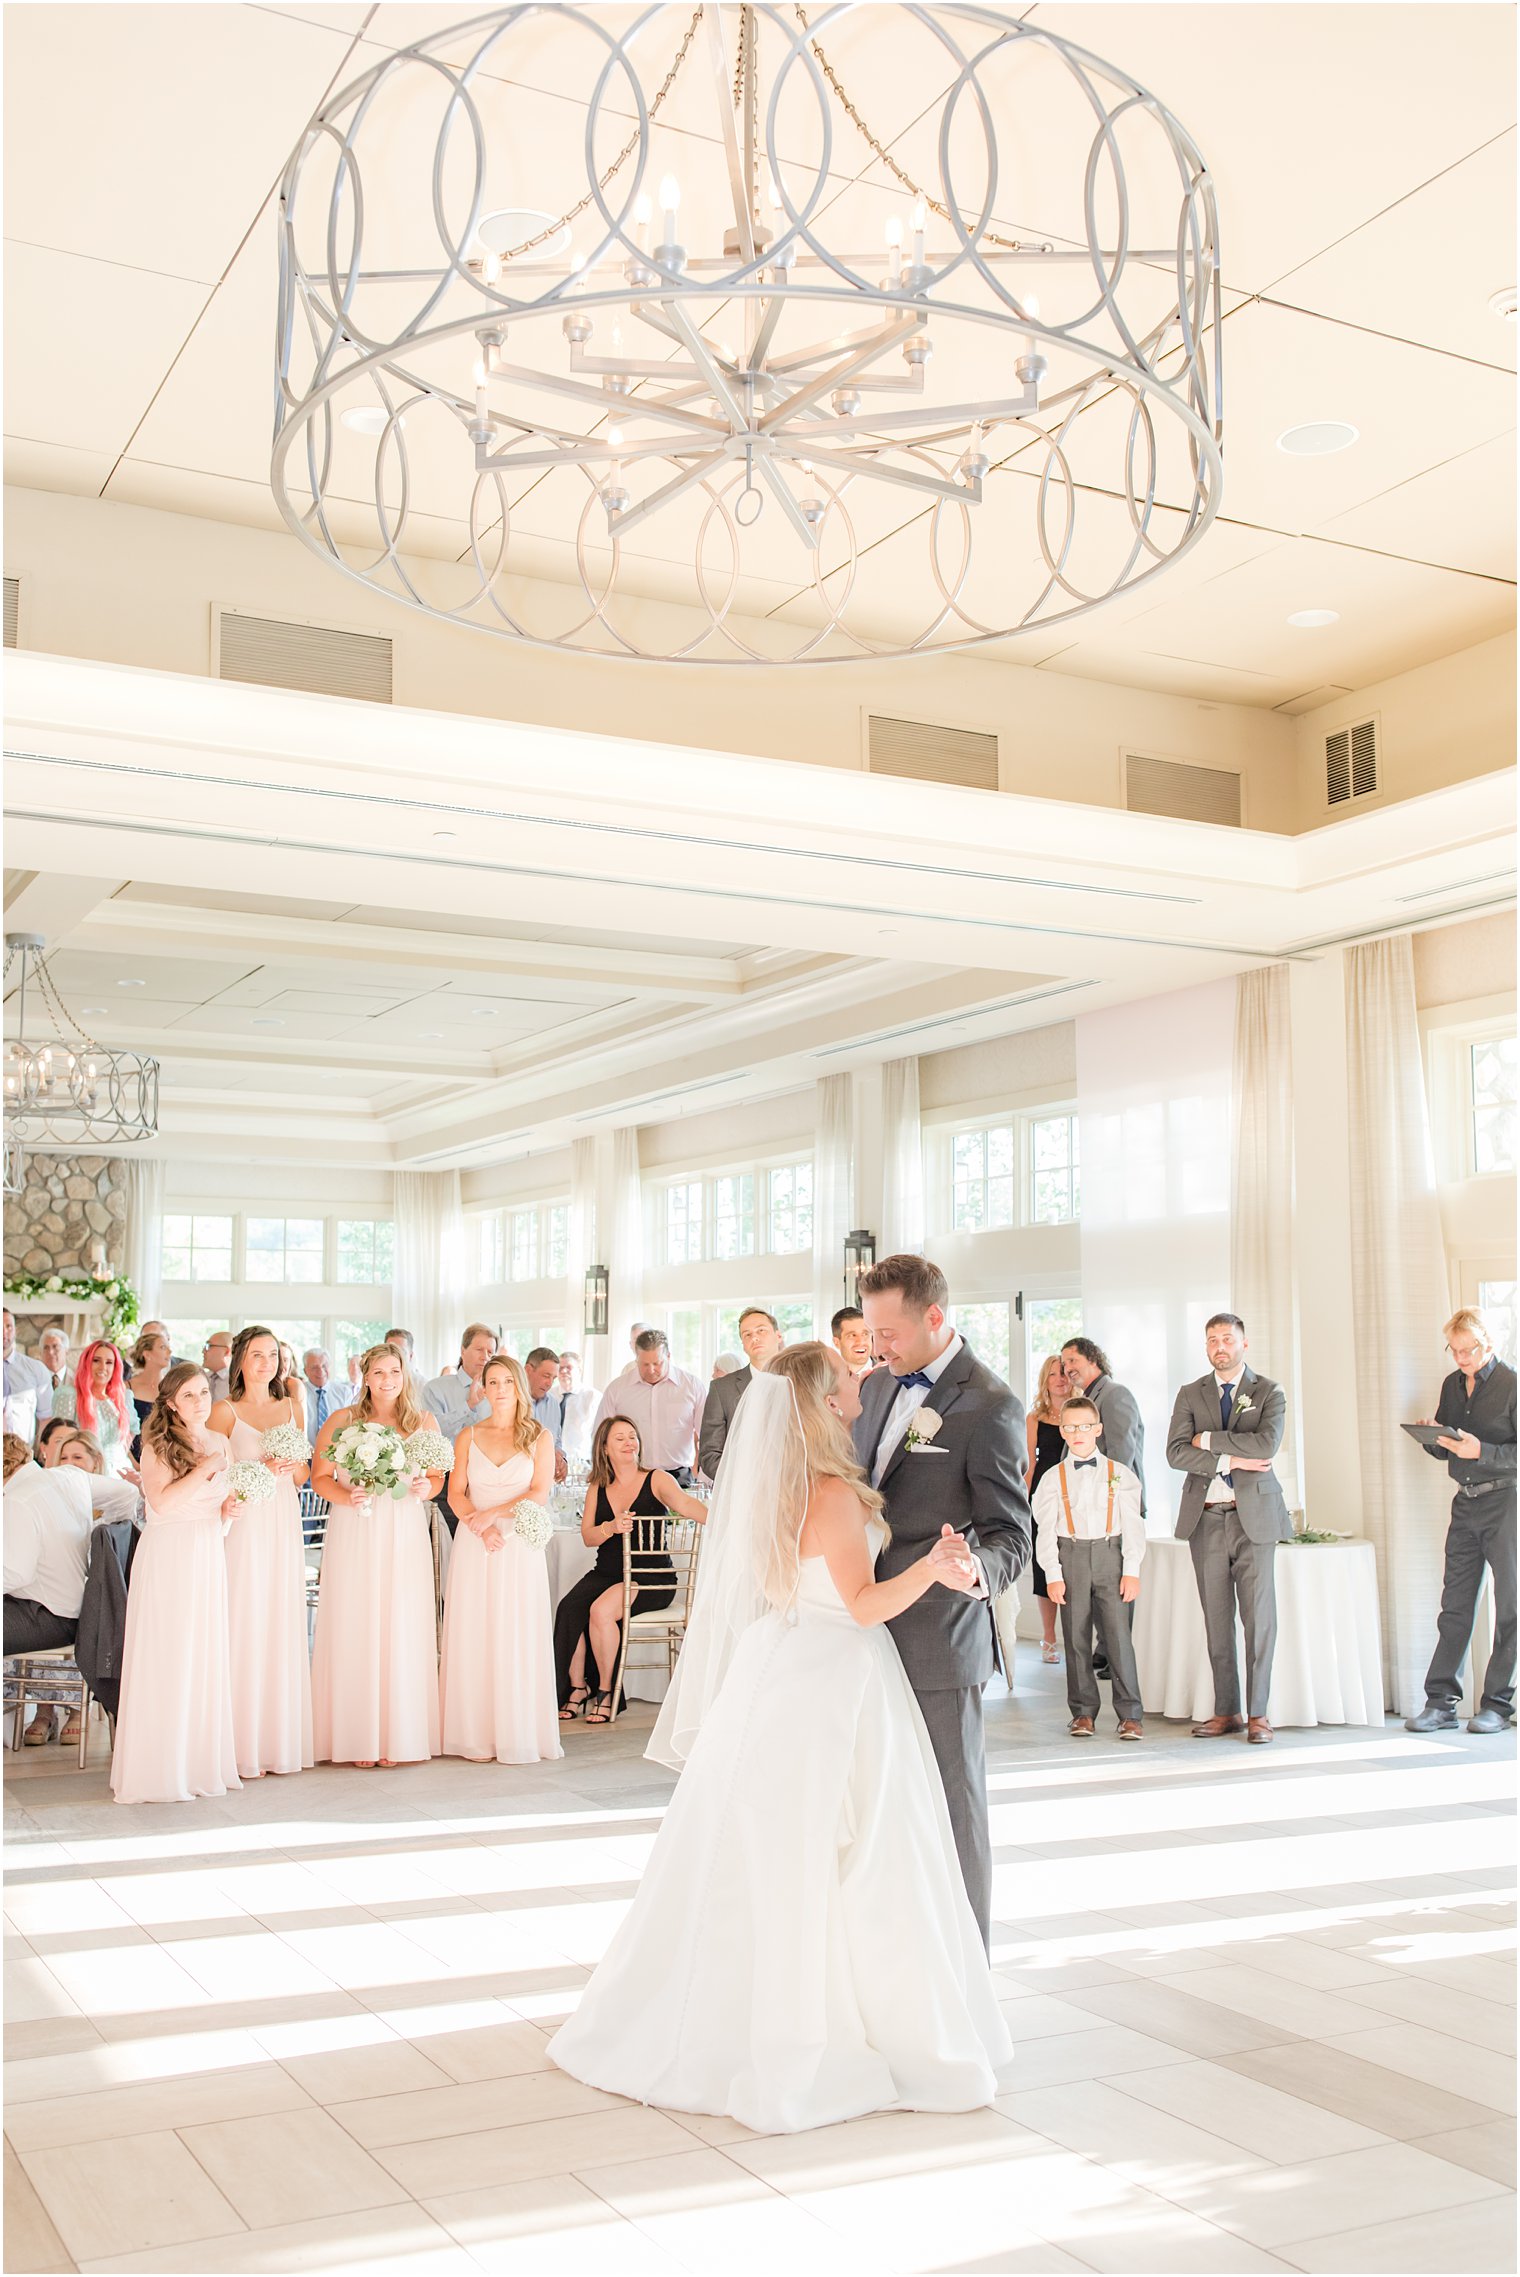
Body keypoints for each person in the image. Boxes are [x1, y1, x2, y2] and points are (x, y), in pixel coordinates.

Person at [550, 1351, 1011, 2132]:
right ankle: (834, 2026)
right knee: (857, 1851)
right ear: (819, 1402)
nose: (860, 1382)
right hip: (836, 1671)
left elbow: (778, 1586)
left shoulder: (774, 1488)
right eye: (846, 1379)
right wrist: (934, 1565)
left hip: (780, 1660)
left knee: (771, 1851)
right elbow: (863, 1606)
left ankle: (735, 2013)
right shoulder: (830, 1493)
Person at [855, 1254, 1030, 1947]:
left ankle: (965, 1969)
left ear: (935, 1316)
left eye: (890, 1332)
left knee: (953, 1809)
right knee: (880, 1807)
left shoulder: (989, 1402)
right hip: (863, 1629)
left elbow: (1011, 1533)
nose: (878, 1347)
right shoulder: (870, 1390)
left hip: (938, 1637)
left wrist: (973, 1570)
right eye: (872, 1332)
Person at [109, 1365, 242, 1805]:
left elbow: (215, 1500)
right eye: (189, 1395)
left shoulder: (221, 1442)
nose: (201, 1401)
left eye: (204, 1392)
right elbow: (161, 1505)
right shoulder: (157, 1445)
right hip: (169, 1554)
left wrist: (227, 1509)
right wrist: (204, 1469)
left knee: (201, 1652)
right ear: (170, 1403)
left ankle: (197, 1762)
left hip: (206, 1551)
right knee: (170, 1652)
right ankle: (158, 1767)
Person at [310, 1343, 446, 1768]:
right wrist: (348, 1496)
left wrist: (428, 1488)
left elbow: (438, 1477)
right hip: (356, 1526)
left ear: (404, 1376)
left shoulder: (423, 1422)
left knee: (400, 1622)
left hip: (403, 1529)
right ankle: (356, 1735)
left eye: (395, 1372)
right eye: (379, 1373)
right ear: (364, 1376)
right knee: (357, 1619)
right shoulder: (342, 1420)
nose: (388, 1380)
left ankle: (397, 1735)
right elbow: (319, 1478)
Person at [1167, 1312, 1292, 1744]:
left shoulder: (1269, 1391)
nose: (1220, 1346)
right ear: (1206, 1347)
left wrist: (1208, 1440)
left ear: (1244, 1343)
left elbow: (1267, 1444)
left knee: (1259, 1620)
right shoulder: (1189, 1393)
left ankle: (1259, 1714)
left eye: (1228, 1338)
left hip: (1253, 1516)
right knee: (1217, 1619)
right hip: (1205, 1519)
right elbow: (1175, 1452)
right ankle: (1227, 1711)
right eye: (1212, 1340)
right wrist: (1230, 1460)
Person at [439, 1353, 561, 1764]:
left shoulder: (539, 1437)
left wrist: (495, 1514)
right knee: (477, 1629)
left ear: (518, 1386)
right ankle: (475, 1734)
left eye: (507, 1381)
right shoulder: (468, 1437)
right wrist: (480, 1523)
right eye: (492, 1382)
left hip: (519, 1544)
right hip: (477, 1542)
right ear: (483, 1388)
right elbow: (455, 1492)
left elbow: (539, 1492)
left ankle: (517, 1729)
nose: (500, 1389)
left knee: (515, 1630)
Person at [208, 1325, 314, 1780]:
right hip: (246, 1524)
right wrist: (259, 1467)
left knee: (279, 1618)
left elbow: (303, 1474)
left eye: (272, 1354)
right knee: (244, 1617)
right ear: (240, 1360)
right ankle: (235, 1743)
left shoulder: (292, 1406)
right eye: (257, 1354)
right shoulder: (224, 1412)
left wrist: (291, 1467)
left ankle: (276, 1740)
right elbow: (208, 1473)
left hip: (283, 1520)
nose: (266, 1362)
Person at [554, 1415, 708, 1724]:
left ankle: (607, 1691)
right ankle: (577, 1687)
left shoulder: (657, 1478)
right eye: (620, 1438)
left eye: (632, 1437)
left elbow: (688, 1506)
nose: (629, 1443)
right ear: (605, 1448)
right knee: (569, 1608)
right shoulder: (597, 1486)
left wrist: (730, 1519)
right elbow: (588, 1537)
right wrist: (610, 1527)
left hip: (651, 1577)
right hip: (608, 1572)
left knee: (600, 1611)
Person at [1406, 1307, 1517, 1736]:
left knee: (1510, 1608)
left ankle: (1497, 1707)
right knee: (1454, 1607)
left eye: (1468, 1349)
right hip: (1464, 1505)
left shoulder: (1511, 1384)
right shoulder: (1452, 1385)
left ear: (1489, 1343)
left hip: (1507, 1505)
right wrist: (1432, 1437)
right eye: (1454, 1350)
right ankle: (1440, 1703)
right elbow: (1450, 1446)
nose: (1461, 1358)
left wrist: (1482, 1452)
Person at [1035, 1397, 1145, 1738]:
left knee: (1118, 1639)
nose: (1077, 1433)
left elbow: (1133, 1525)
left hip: (1111, 1556)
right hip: (1071, 1557)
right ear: (1062, 1432)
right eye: (1069, 1427)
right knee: (1075, 1636)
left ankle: (1130, 1714)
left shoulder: (1120, 1474)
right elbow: (1046, 1530)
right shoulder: (1053, 1478)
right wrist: (1053, 1574)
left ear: (1097, 1429)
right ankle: (1083, 1712)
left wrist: (1132, 1569)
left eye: (1084, 1426)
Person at [3, 1434, 92, 1748]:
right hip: (66, 1608)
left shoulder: (17, 1500)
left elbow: (15, 1571)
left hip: (49, 1616)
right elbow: (123, 1493)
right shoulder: (62, 1481)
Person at [592, 1330, 705, 1488]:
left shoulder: (691, 1386)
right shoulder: (617, 1390)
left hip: (679, 1476)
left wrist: (704, 1477)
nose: (651, 1370)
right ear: (636, 1358)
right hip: (631, 1477)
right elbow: (600, 1435)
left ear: (669, 1356)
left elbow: (706, 1436)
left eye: (657, 1363)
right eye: (645, 1364)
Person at [424, 1323, 499, 1537]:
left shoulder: (499, 1391)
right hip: (446, 1483)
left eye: (490, 1352)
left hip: (488, 1484)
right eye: (479, 1349)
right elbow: (432, 1434)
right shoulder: (436, 1388)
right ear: (462, 1350)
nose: (485, 1356)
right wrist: (469, 1405)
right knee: (449, 1546)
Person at [1024, 1356, 1073, 1666]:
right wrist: (1023, 1502)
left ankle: (1076, 1639)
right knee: (1045, 1568)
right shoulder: (1035, 1418)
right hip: (1042, 1496)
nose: (1059, 1379)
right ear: (1045, 1379)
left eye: (1064, 1373)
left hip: (1073, 1495)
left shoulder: (1081, 1413)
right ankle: (1049, 1637)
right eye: (1053, 1374)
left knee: (1072, 1567)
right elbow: (1029, 1464)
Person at [699, 1306, 785, 1476]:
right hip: (740, 1494)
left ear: (778, 1336)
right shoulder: (721, 1389)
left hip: (794, 1493)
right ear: (743, 1345)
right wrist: (741, 1483)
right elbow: (710, 1453)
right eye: (747, 1335)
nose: (755, 1338)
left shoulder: (801, 1381)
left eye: (761, 1330)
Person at [52, 1341, 137, 1478]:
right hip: (83, 1474)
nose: (103, 1367)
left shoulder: (123, 1397)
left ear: (116, 1367)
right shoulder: (69, 1395)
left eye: (109, 1362)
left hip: (120, 1473)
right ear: (86, 1363)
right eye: (96, 1360)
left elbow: (131, 1431)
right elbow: (60, 1440)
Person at [50, 1429, 139, 1523]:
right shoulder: (52, 1498)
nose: (68, 1463)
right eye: (63, 1458)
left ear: (97, 1461)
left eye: (77, 1457)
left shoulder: (114, 1497)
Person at [3, 1309, 54, 1439]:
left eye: (8, 1326)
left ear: (16, 1330)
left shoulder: (36, 1369)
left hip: (23, 1453)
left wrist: (42, 1449)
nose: (4, 1332)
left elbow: (46, 1417)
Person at [523, 1348, 569, 1483]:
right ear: (528, 1370)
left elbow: (557, 1441)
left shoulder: (554, 1404)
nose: (550, 1383)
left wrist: (561, 1458)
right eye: (546, 1376)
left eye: (553, 1378)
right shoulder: (509, 1402)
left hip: (544, 1484)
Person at [127, 1329, 172, 1443]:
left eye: (168, 1347)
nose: (170, 1351)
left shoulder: (172, 1388)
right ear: (147, 1354)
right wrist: (133, 1461)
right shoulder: (127, 1388)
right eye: (163, 1347)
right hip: (132, 1454)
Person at [556, 1351, 599, 1466]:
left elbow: (599, 1433)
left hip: (581, 1463)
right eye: (560, 1368)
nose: (564, 1371)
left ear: (579, 1370)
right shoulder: (549, 1396)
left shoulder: (593, 1397)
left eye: (568, 1367)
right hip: (552, 1461)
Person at [301, 1348, 347, 1439]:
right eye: (314, 1367)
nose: (320, 1371)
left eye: (324, 1366)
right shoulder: (299, 1393)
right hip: (306, 1451)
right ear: (305, 1371)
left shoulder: (344, 1392)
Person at [832, 1305, 875, 1377]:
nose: (861, 1342)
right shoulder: (825, 1380)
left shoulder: (890, 1377)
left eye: (865, 1334)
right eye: (852, 1335)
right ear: (837, 1342)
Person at [202, 1332, 233, 1408]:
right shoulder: (201, 1378)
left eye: (209, 1346)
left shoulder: (238, 1382)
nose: (203, 1351)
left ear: (227, 1351)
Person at [38, 1327, 70, 1396]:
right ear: (40, 1353)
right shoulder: (34, 1381)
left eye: (55, 1347)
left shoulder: (79, 1381)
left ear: (66, 1351)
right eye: (46, 1348)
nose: (50, 1352)